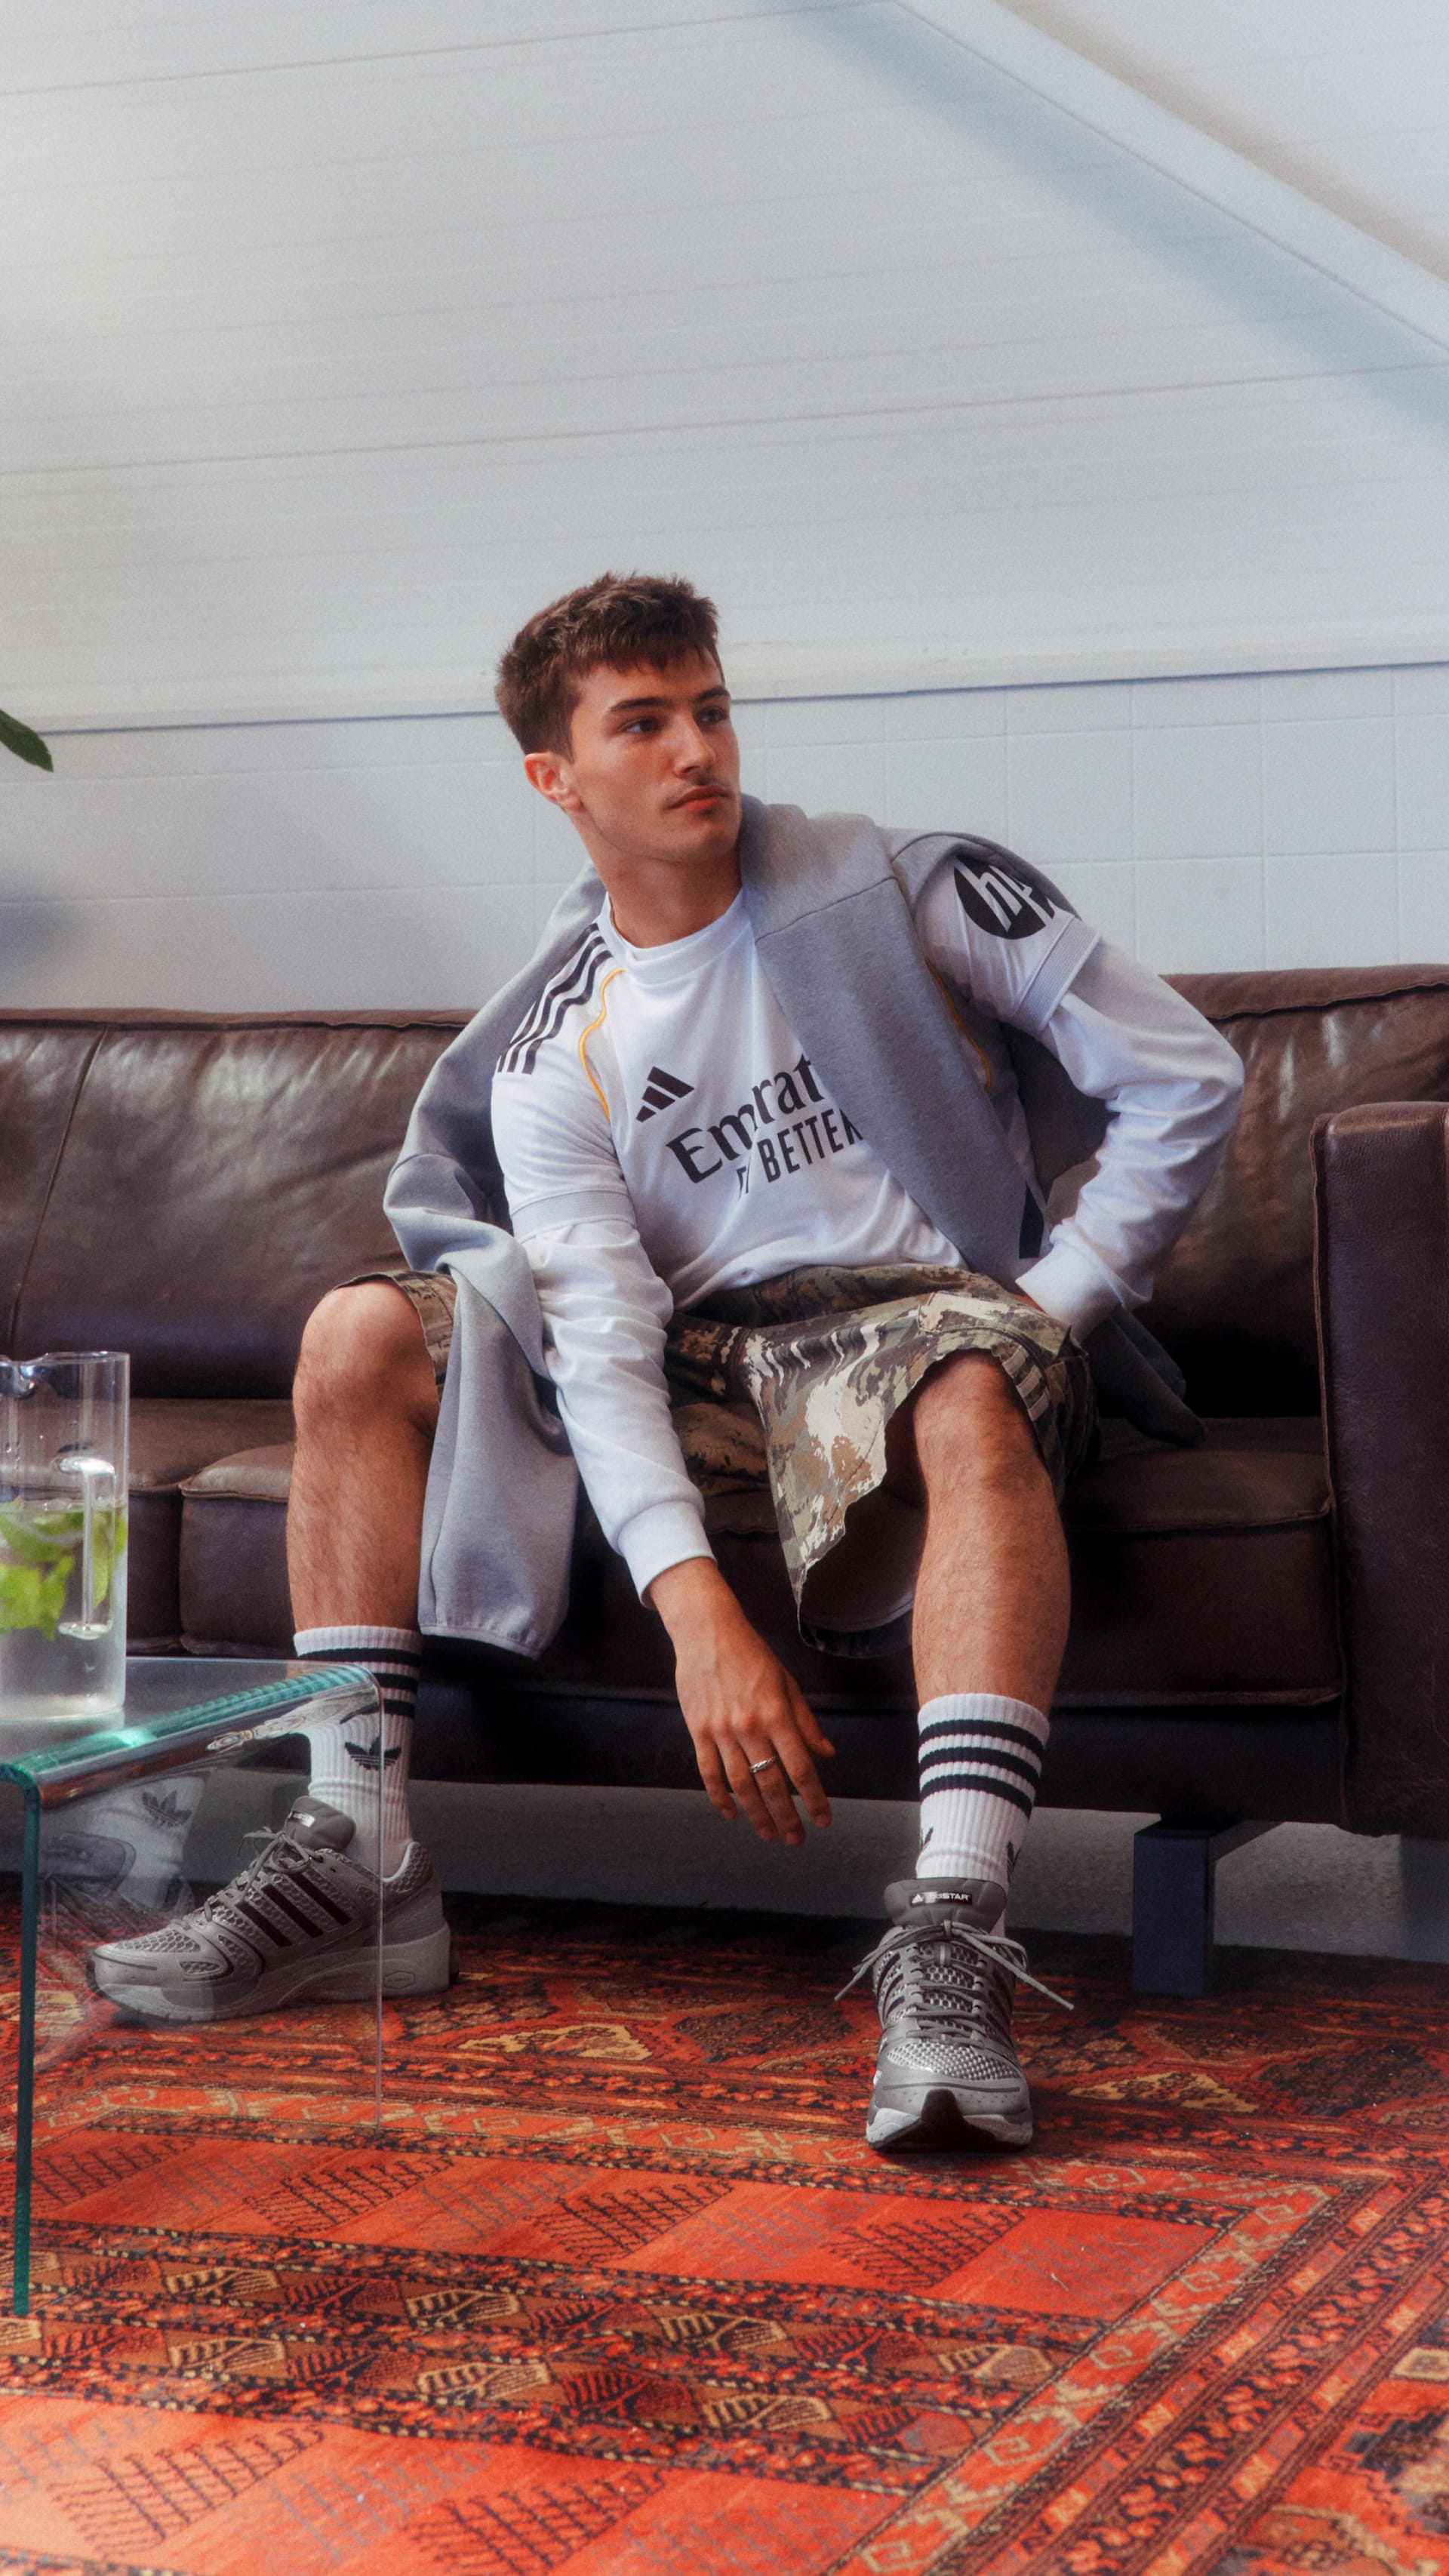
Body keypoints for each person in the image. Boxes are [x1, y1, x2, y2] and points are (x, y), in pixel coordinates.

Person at [91, 574, 1243, 2152]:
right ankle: (358, 1852)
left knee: (975, 1380)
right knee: (358, 1328)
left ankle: (957, 1932)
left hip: (915, 1320)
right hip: (703, 1365)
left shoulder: (903, 889)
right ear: (553, 779)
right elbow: (606, 1342)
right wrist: (697, 1612)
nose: (698, 749)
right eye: (643, 723)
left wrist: (1058, 1298)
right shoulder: (559, 1037)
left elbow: (1186, 1070)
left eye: (710, 708)